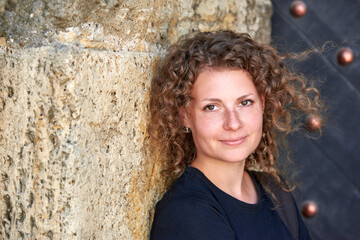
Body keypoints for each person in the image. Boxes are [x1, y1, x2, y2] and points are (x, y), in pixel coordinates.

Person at [148, 30, 322, 240]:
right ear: (185, 116)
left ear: (262, 105)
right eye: (212, 107)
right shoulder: (188, 213)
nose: (233, 123)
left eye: (245, 103)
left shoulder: (275, 192)